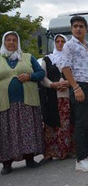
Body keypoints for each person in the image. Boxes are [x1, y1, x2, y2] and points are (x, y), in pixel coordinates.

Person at [58, 16, 88, 173]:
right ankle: (80, 160)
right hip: (79, 86)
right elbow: (65, 67)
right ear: (71, 29)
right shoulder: (69, 46)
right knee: (81, 123)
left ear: (86, 29)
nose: (78, 29)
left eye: (81, 26)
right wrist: (75, 88)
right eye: (75, 26)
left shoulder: (87, 46)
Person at [0, 31, 45, 175]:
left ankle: (29, 158)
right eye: (8, 40)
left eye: (14, 40)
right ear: (4, 42)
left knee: (28, 130)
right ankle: (7, 163)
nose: (12, 42)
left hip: (27, 102)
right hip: (5, 104)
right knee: (7, 133)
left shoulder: (27, 57)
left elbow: (41, 73)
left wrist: (30, 76)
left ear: (18, 42)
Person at [39, 34, 74, 164]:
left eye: (63, 41)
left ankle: (66, 150)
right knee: (52, 124)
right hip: (53, 96)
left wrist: (68, 82)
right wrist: (52, 85)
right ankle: (52, 152)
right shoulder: (48, 59)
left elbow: (76, 74)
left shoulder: (70, 58)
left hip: (67, 97)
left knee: (67, 124)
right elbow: (43, 76)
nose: (60, 44)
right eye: (58, 41)